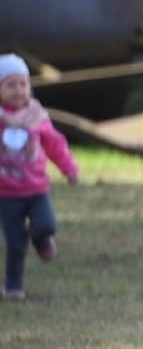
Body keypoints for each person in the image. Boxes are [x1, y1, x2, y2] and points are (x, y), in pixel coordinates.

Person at [0, 54, 79, 300]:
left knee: (46, 225)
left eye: (23, 84)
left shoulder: (37, 117)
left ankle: (42, 240)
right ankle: (13, 285)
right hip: (6, 194)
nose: (18, 90)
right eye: (10, 84)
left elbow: (55, 145)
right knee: (14, 244)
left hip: (36, 190)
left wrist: (69, 167)